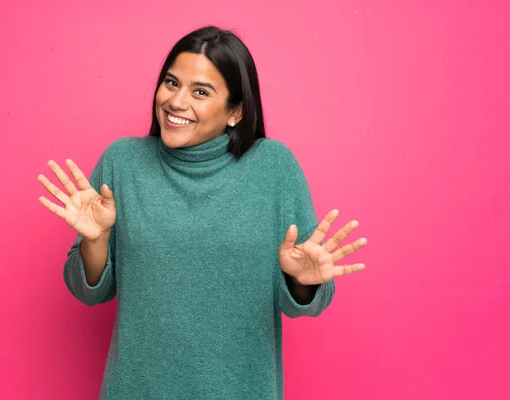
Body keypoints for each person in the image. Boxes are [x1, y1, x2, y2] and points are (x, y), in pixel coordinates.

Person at [37, 25, 367, 400]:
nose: (176, 102)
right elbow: (88, 293)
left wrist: (302, 282)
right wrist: (95, 241)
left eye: (200, 92)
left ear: (235, 111)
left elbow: (308, 304)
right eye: (171, 83)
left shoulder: (274, 167)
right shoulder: (123, 162)